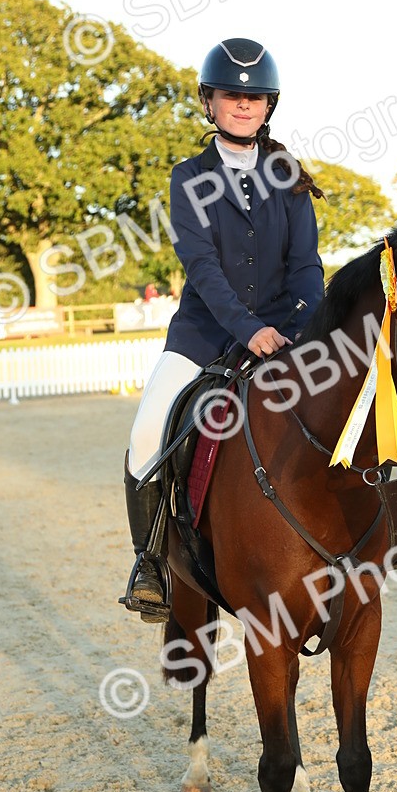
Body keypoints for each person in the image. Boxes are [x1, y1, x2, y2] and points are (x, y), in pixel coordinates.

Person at [122, 38, 325, 622]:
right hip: (205, 336)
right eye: (231, 95)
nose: (243, 105)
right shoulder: (188, 178)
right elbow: (203, 269)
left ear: (269, 106)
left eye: (254, 96)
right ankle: (151, 565)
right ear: (209, 102)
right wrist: (248, 329)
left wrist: (306, 326)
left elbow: (307, 265)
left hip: (287, 332)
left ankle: (379, 535)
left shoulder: (287, 176)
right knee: (145, 435)